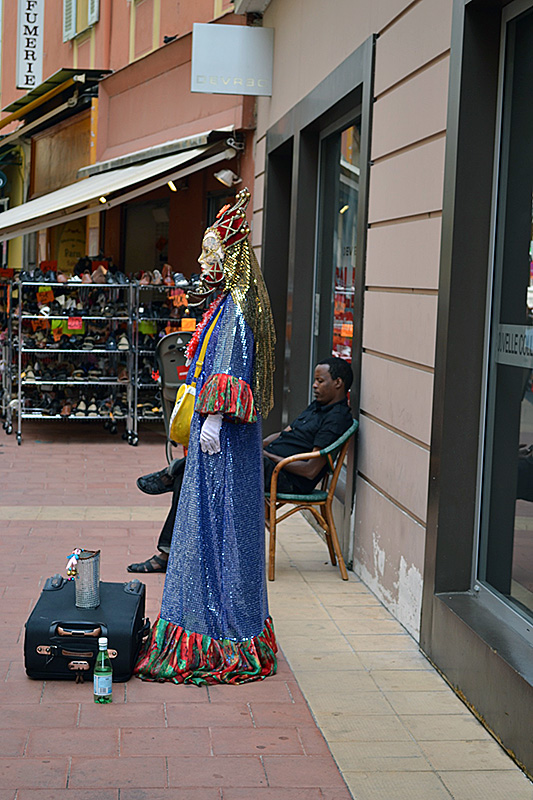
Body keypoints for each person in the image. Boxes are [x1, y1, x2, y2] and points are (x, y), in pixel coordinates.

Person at [134, 188, 277, 685]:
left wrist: (214, 416)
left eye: (210, 253)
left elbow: (231, 368)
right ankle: (215, 621)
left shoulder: (235, 308)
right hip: (217, 439)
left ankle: (213, 629)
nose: (201, 262)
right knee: (210, 523)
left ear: (230, 259)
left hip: (223, 444)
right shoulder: (225, 304)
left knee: (214, 526)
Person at [128, 355, 354, 574]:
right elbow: (284, 434)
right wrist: (257, 445)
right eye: (315, 380)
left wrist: (264, 454)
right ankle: (168, 544)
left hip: (284, 476)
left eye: (320, 381)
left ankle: (172, 476)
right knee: (189, 477)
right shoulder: (317, 407)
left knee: (202, 464)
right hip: (267, 464)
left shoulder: (336, 418)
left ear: (338, 383)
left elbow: (310, 470)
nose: (314, 385)